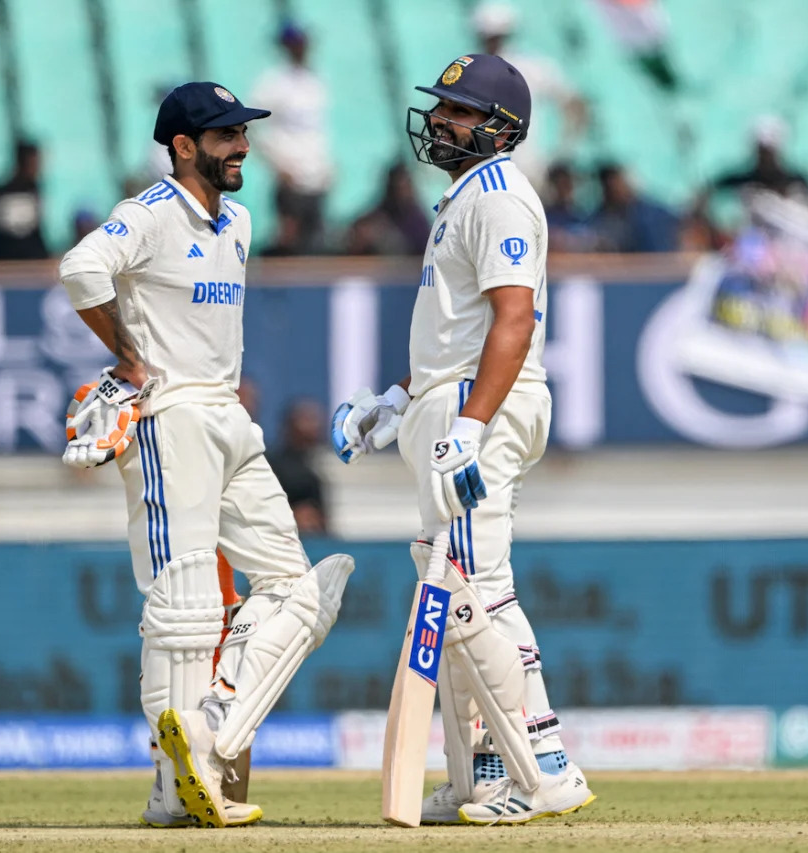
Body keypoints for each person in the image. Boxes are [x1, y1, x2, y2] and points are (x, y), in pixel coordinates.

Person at [58, 82, 353, 829]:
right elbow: (81, 270)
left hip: (230, 415)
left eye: (244, 133)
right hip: (170, 417)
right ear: (184, 145)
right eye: (227, 135)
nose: (243, 146)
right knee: (185, 612)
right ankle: (172, 791)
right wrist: (127, 355)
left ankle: (214, 725)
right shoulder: (151, 213)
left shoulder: (241, 221)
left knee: (296, 588)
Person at [331, 53, 594, 825]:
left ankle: (543, 767)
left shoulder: (502, 195)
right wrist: (395, 400)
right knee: (450, 591)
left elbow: (515, 319)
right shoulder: (464, 197)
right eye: (441, 108)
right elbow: (454, 335)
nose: (440, 121)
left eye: (457, 110)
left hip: (482, 410)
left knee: (476, 589)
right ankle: (479, 776)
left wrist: (471, 425)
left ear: (501, 125)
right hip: (447, 401)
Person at [472, 2, 588, 191]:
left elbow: (574, 105)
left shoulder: (532, 68)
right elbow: (575, 105)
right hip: (493, 172)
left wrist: (562, 153)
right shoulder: (474, 71)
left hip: (524, 171)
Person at [250, 22, 334, 254]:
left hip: (317, 178)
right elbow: (251, 126)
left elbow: (318, 129)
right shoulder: (273, 83)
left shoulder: (316, 81)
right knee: (289, 245)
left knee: (316, 246)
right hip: (290, 179)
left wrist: (327, 165)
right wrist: (276, 165)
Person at [265, 399, 329, 534]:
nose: (314, 426)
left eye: (315, 419)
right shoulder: (271, 466)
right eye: (307, 419)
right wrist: (291, 516)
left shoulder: (315, 469)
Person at [343, 163, 432, 255]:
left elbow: (422, 247)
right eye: (397, 187)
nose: (401, 191)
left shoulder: (417, 219)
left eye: (404, 186)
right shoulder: (380, 214)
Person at [591, 163, 679, 253]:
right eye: (607, 185)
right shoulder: (600, 217)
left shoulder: (653, 214)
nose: (613, 188)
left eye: (616, 182)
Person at [542, 162, 595, 252]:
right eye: (560, 185)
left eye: (567, 184)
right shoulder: (543, 216)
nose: (565, 190)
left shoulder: (581, 215)